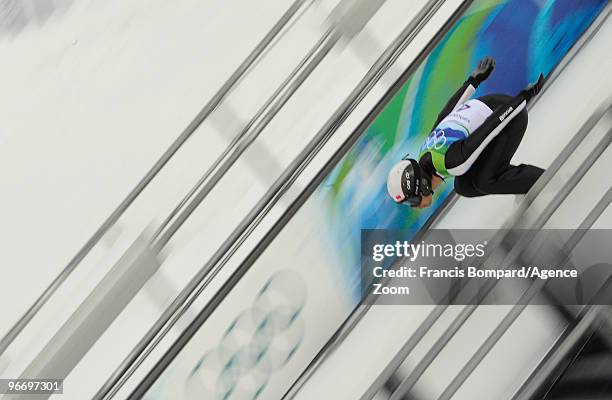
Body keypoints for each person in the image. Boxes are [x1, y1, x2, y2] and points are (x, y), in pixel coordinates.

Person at [387, 56, 546, 208]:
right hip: (491, 105)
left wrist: (524, 96)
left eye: (412, 201)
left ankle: (544, 180)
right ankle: (525, 182)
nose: (414, 207)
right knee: (463, 186)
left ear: (422, 186)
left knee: (484, 181)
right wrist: (473, 80)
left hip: (508, 117)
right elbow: (444, 115)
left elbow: (490, 128)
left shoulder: (453, 161)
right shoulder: (425, 154)